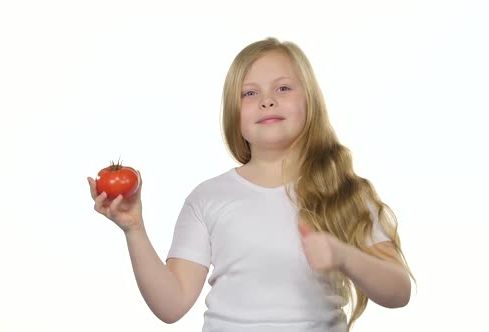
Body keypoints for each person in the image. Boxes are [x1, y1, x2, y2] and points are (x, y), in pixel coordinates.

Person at [88, 37, 414, 332]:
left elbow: (399, 291)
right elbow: (171, 306)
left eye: (283, 88)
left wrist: (343, 256)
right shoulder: (208, 198)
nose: (267, 101)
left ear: (310, 101)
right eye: (250, 93)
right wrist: (135, 230)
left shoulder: (343, 190)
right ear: (234, 113)